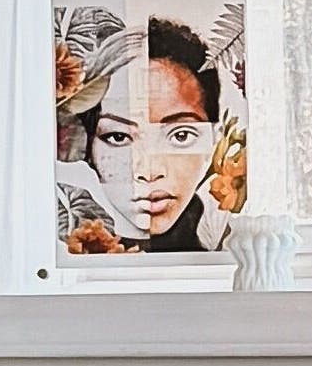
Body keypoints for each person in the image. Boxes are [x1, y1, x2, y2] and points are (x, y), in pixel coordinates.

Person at [71, 15, 241, 252]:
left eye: (180, 136)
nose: (148, 171)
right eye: (118, 137)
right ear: (87, 146)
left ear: (215, 140)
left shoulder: (235, 243)